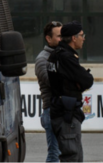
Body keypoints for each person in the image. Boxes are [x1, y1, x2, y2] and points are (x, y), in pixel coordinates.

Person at [48, 22, 94, 162]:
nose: (83, 39)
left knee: (75, 155)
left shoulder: (56, 54)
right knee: (72, 156)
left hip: (63, 111)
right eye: (82, 35)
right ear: (74, 38)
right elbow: (87, 80)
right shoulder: (66, 57)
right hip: (66, 114)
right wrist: (78, 83)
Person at [35, 21, 63, 162]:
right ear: (48, 38)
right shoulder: (42, 60)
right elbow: (56, 84)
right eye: (59, 36)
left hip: (63, 110)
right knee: (54, 154)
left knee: (63, 153)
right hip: (51, 111)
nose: (62, 39)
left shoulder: (63, 55)